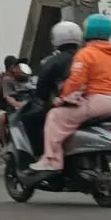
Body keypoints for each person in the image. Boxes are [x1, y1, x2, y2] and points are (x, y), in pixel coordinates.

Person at [29, 13, 111, 173]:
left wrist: (63, 99)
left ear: (88, 32)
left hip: (99, 103)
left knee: (55, 117)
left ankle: (52, 160)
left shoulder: (86, 54)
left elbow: (76, 82)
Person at [18, 20, 83, 153]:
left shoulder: (52, 62)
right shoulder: (87, 57)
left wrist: (40, 97)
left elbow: (42, 89)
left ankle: (42, 154)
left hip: (66, 105)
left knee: (29, 119)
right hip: (92, 103)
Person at [0, 55, 27, 145]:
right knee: (1, 118)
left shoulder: (22, 78)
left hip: (23, 106)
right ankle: (5, 144)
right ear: (12, 67)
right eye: (17, 66)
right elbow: (6, 96)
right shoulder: (3, 80)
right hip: (7, 109)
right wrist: (16, 104)